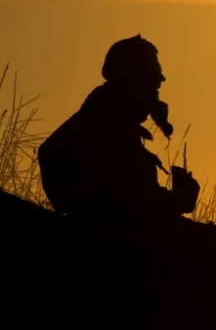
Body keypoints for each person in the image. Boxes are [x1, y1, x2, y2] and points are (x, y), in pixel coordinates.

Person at [38, 34, 200, 226]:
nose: (161, 81)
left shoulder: (106, 116)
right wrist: (181, 200)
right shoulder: (106, 125)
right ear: (132, 80)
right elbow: (135, 201)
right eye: (153, 75)